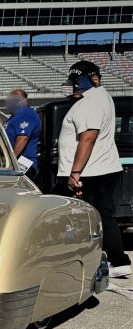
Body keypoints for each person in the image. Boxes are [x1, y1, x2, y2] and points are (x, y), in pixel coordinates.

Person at [53, 60, 130, 278]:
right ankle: (115, 259)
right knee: (101, 216)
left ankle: (114, 259)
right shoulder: (100, 97)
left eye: (76, 82)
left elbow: (88, 138)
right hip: (99, 168)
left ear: (91, 79)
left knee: (68, 215)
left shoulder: (90, 102)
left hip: (90, 172)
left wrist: (75, 172)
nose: (73, 87)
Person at [3, 89, 40, 179]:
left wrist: (11, 161)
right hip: (16, 162)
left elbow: (22, 138)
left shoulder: (26, 113)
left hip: (22, 163)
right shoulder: (15, 116)